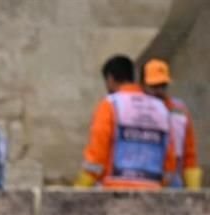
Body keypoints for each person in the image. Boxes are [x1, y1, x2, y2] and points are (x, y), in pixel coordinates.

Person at [74, 55, 175, 189]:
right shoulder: (161, 108)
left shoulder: (110, 105)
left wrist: (80, 186)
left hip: (114, 189)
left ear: (110, 78)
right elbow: (169, 157)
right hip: (152, 189)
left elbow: (97, 155)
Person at [142, 59, 201, 190]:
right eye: (154, 86)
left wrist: (194, 191)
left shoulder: (180, 110)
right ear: (143, 86)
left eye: (163, 86)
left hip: (173, 182)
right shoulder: (138, 110)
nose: (159, 91)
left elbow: (190, 153)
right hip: (144, 178)